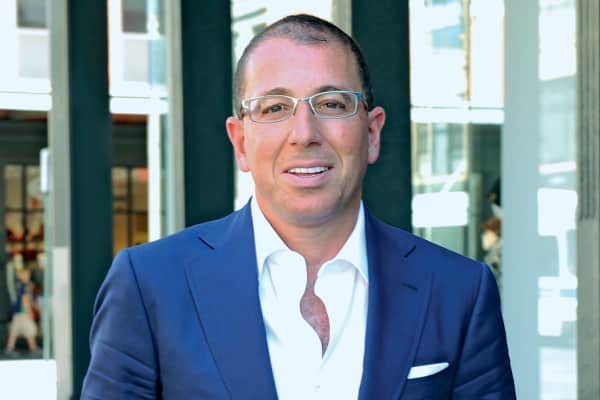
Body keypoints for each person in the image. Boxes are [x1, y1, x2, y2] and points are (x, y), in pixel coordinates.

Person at [82, 14, 515, 399]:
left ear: (372, 133)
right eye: (274, 108)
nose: (304, 133)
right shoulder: (150, 285)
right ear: (240, 142)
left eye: (331, 104)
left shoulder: (458, 290)